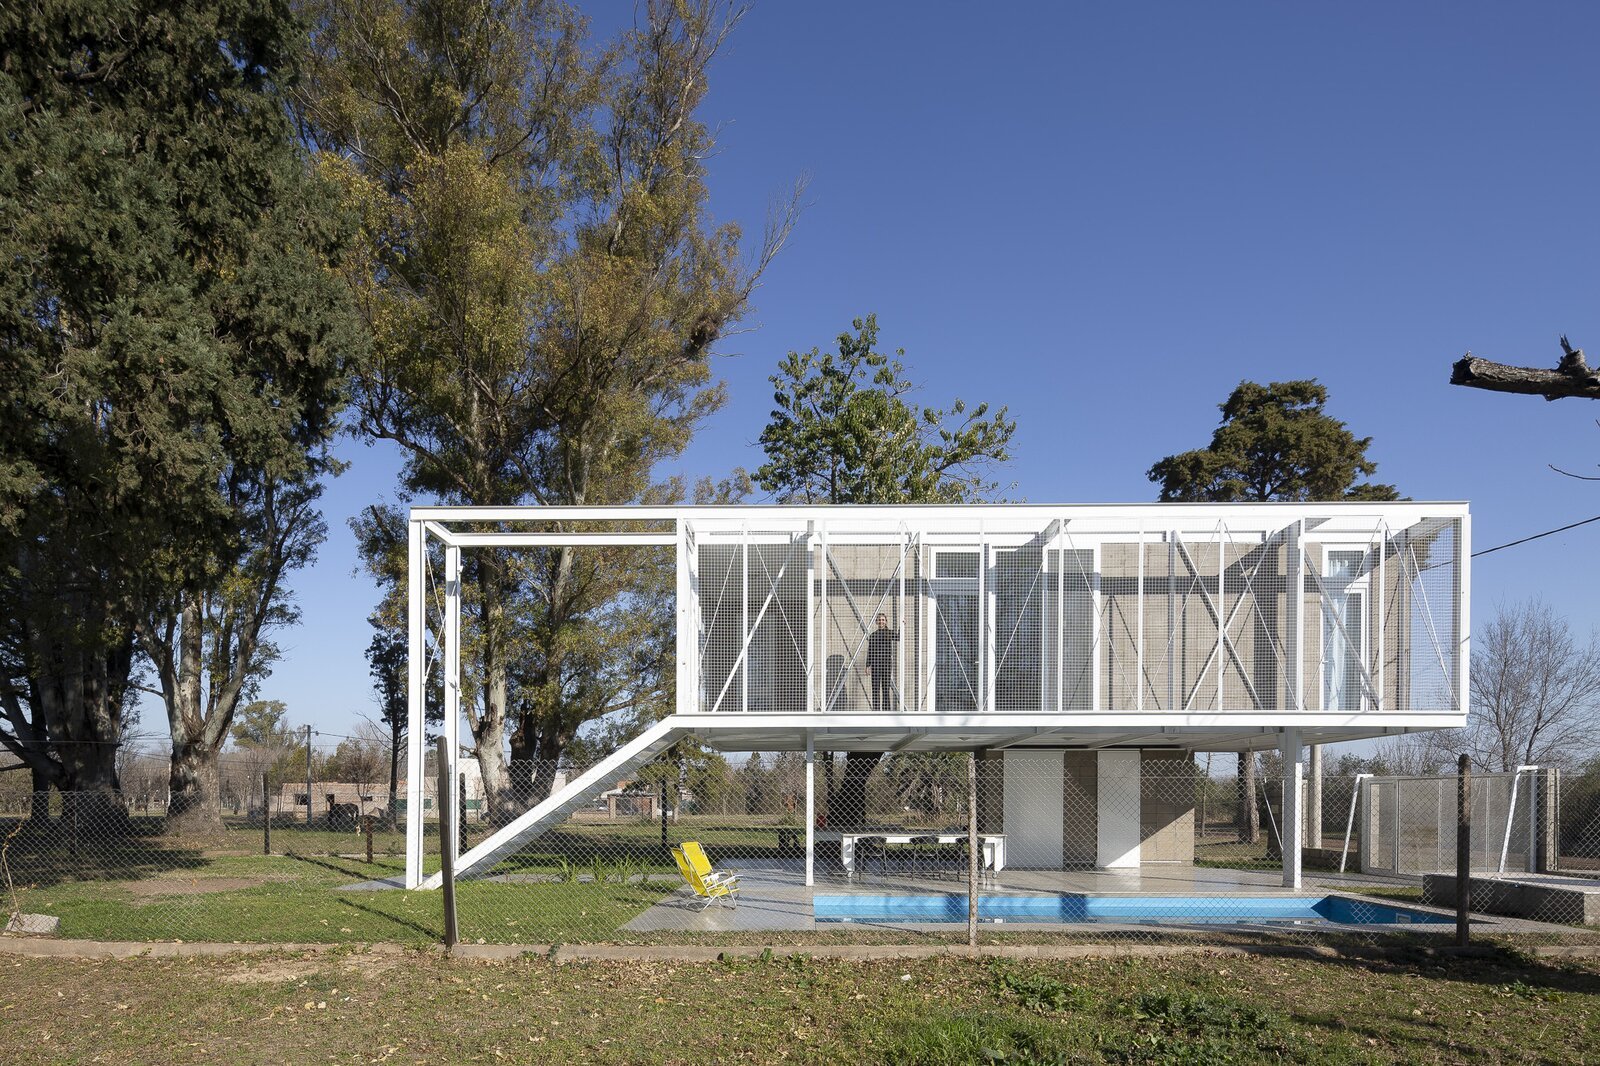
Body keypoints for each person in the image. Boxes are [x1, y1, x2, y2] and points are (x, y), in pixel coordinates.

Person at [866, 612, 899, 712]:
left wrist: (902, 626)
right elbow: (870, 651)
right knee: (875, 689)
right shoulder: (873, 635)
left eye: (883, 620)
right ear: (876, 622)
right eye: (879, 620)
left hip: (886, 665)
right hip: (875, 665)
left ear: (886, 621)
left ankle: (886, 711)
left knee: (885, 689)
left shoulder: (889, 633)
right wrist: (868, 665)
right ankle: (876, 710)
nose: (881, 621)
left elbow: (899, 637)